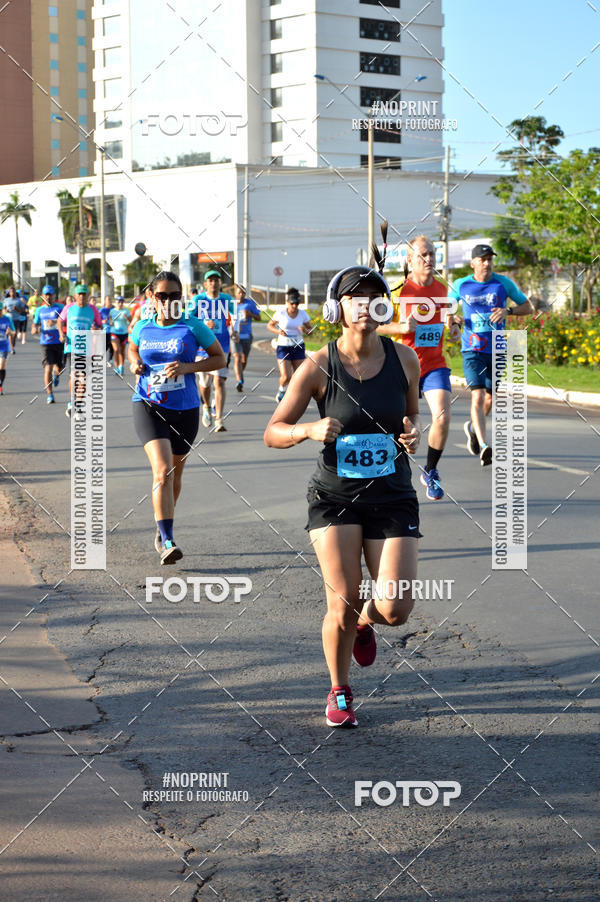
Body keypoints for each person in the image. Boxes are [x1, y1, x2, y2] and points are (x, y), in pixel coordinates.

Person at [264, 265, 421, 728]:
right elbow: (272, 432)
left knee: (395, 607)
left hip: (392, 495)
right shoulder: (318, 365)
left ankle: (366, 623)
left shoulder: (405, 360)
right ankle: (340, 690)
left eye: (374, 295)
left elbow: (410, 419)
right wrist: (307, 429)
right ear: (338, 307)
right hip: (335, 498)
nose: (365, 304)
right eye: (355, 296)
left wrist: (412, 434)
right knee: (343, 600)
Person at [128, 271, 226, 564]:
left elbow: (220, 359)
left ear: (180, 298)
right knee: (162, 471)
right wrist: (134, 364)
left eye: (174, 295)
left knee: (175, 473)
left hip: (185, 408)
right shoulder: (143, 326)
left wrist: (186, 368)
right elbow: (132, 349)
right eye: (162, 295)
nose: (168, 300)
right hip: (148, 404)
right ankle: (168, 539)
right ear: (152, 297)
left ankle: (163, 524)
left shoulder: (192, 325)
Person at [377, 235, 460, 501]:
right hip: (403, 367)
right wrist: (400, 328)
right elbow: (375, 326)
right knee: (399, 426)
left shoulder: (444, 289)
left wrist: (455, 330)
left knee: (443, 417)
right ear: (410, 260)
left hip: (434, 365)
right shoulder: (398, 291)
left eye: (432, 254)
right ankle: (390, 478)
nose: (429, 259)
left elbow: (452, 324)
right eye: (423, 255)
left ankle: (431, 470)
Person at [450, 244, 533, 465]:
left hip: (497, 348)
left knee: (489, 398)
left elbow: (528, 307)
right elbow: (444, 308)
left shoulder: (503, 283)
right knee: (477, 396)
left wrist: (509, 311)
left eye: (490, 259)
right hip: (472, 349)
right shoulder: (461, 284)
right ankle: (485, 446)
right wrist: (454, 319)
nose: (487, 263)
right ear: (473, 263)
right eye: (482, 259)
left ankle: (472, 428)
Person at [188, 269, 235, 432]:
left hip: (222, 346)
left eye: (216, 280)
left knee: (219, 381)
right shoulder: (198, 300)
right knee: (205, 383)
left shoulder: (227, 299)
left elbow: (236, 316)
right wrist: (203, 324)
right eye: (210, 280)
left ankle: (219, 420)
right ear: (206, 284)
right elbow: (187, 319)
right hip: (201, 348)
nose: (214, 283)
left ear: (220, 283)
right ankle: (207, 407)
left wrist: (235, 328)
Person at [58, 284, 103, 418]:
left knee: (83, 379)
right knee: (76, 375)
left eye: (84, 294)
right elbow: (60, 321)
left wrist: (97, 329)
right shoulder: (69, 308)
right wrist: (61, 334)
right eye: (79, 294)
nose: (82, 296)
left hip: (87, 349)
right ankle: (75, 404)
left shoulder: (93, 309)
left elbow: (100, 325)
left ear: (88, 296)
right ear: (75, 296)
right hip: (72, 347)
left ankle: (76, 404)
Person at [266, 287, 311, 403]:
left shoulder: (302, 314)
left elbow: (311, 330)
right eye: (292, 304)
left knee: (298, 376)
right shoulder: (281, 313)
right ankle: (281, 390)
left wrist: (305, 330)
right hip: (283, 346)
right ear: (287, 303)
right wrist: (278, 332)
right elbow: (269, 325)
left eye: (297, 303)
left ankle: (293, 396)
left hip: (298, 346)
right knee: (286, 376)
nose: (295, 306)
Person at [32, 285, 64, 404]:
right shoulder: (39, 310)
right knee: (48, 368)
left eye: (50, 294)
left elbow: (65, 320)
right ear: (43, 296)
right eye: (46, 294)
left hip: (59, 341)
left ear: (54, 295)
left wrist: (55, 321)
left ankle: (57, 375)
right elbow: (35, 324)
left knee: (60, 368)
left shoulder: (60, 308)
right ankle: (50, 394)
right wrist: (34, 329)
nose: (48, 297)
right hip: (46, 343)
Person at [231, 284, 261, 392]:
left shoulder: (250, 304)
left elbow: (259, 317)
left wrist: (249, 314)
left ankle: (240, 373)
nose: (241, 294)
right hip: (235, 335)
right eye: (239, 292)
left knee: (244, 359)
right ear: (235, 293)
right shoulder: (231, 304)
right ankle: (239, 380)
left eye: (243, 292)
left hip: (247, 335)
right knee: (237, 357)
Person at [109, 296, 131, 376]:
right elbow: (111, 321)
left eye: (122, 302)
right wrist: (110, 323)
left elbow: (131, 321)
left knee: (122, 351)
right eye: (119, 302)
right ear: (116, 302)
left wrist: (127, 318)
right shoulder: (112, 311)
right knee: (116, 350)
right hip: (114, 333)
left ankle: (121, 366)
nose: (120, 304)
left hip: (124, 333)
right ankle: (116, 367)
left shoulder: (126, 311)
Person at [0, 299, 16, 395]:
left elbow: (14, 333)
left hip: (4, 345)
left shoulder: (7, 319)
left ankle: (0, 385)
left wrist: (10, 332)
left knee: (1, 366)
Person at [4, 287, 23, 353]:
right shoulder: (6, 300)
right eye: (11, 292)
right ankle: (11, 348)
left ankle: (12, 345)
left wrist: (17, 309)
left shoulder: (18, 300)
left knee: (14, 334)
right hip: (8, 319)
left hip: (16, 319)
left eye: (13, 292)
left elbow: (22, 310)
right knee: (9, 333)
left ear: (15, 292)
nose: (12, 293)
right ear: (9, 293)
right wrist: (6, 310)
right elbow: (3, 309)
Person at [99, 295, 114, 366]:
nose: (109, 301)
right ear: (105, 301)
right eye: (108, 300)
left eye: (110, 300)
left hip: (113, 330)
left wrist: (113, 322)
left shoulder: (114, 309)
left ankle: (110, 360)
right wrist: (102, 321)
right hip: (105, 330)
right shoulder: (102, 310)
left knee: (112, 346)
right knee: (105, 346)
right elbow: (97, 320)